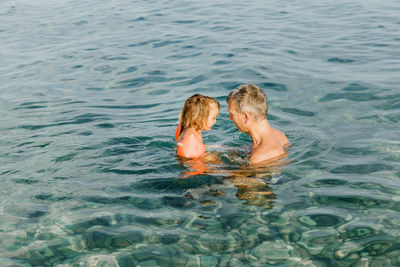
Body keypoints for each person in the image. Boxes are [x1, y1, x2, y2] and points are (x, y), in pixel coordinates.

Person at [227, 84, 289, 164]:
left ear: (246, 117)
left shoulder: (259, 157)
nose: (230, 118)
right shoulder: (280, 136)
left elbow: (239, 176)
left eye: (232, 114)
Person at [175, 94, 220, 159]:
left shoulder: (185, 127)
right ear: (199, 117)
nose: (215, 121)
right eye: (213, 118)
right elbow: (192, 162)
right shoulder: (191, 139)